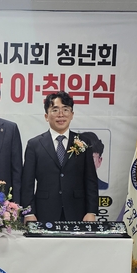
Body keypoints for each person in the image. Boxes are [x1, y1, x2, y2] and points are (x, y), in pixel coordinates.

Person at [21, 91, 98, 223]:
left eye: (65, 109)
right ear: (46, 116)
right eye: (55, 110)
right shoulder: (34, 144)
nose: (61, 114)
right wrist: (29, 213)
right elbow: (27, 183)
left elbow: (90, 180)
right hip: (44, 212)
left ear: (72, 114)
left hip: (77, 212)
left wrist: (91, 211)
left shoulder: (83, 142)